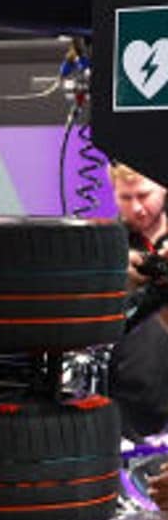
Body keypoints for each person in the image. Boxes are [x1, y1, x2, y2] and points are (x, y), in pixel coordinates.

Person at [107, 162, 168, 440]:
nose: (137, 208)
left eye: (144, 196)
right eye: (126, 198)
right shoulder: (105, 249)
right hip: (128, 403)